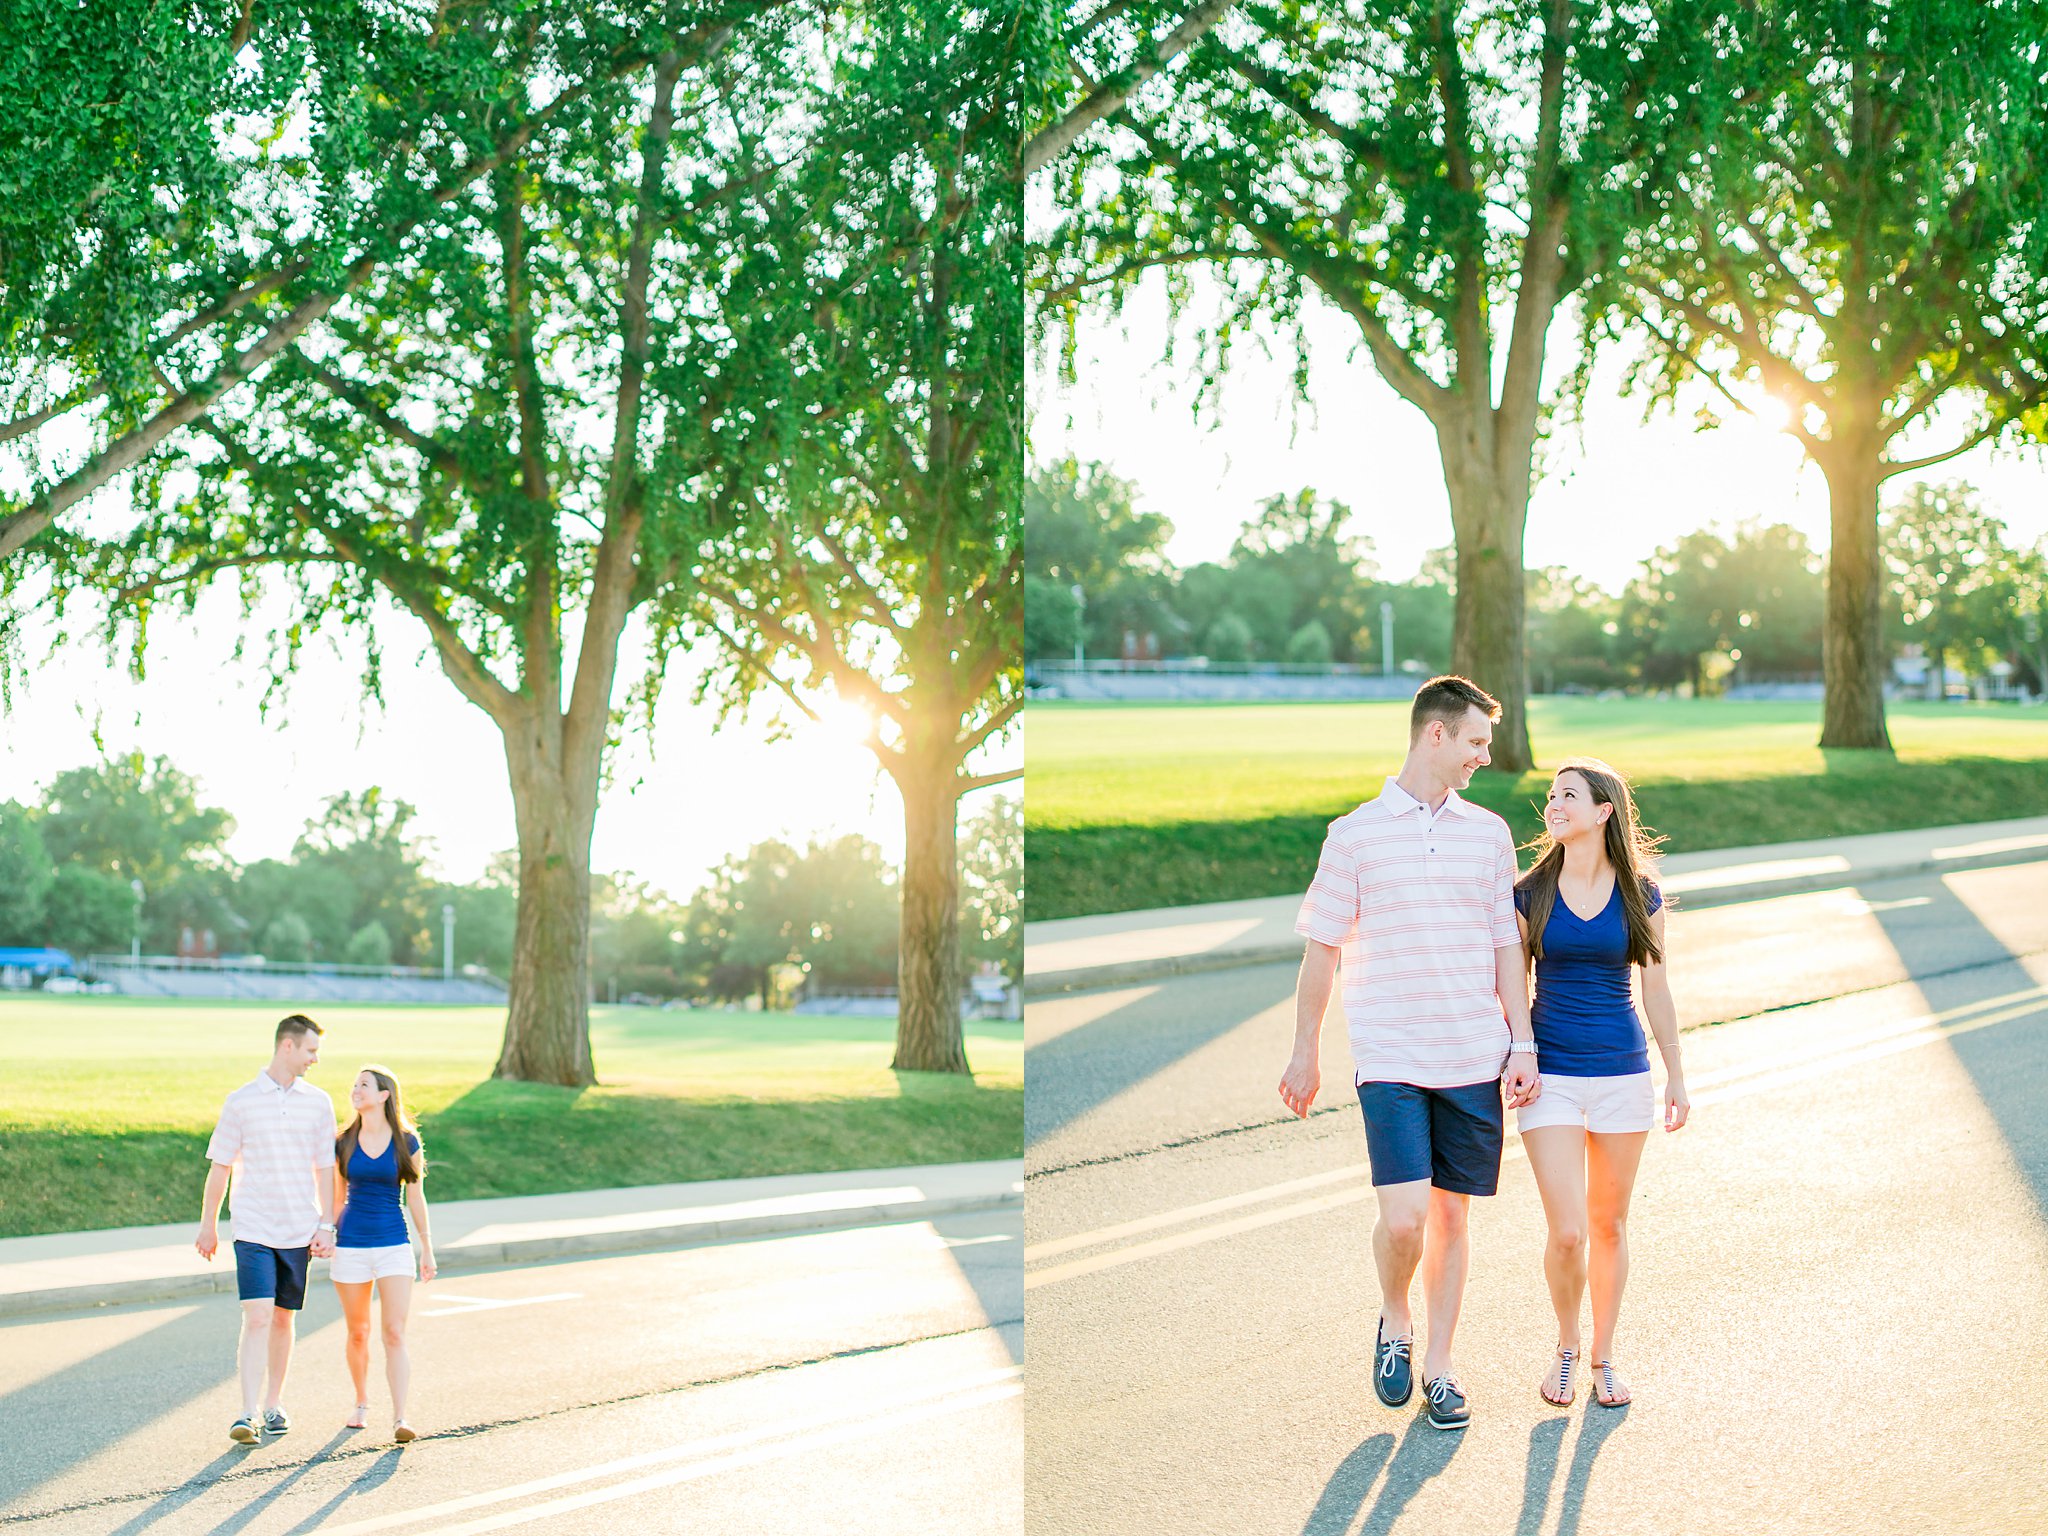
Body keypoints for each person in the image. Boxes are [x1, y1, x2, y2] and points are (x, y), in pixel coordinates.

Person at [1279, 675, 1539, 1432]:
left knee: (1453, 1224)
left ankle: (1441, 1369)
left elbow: (1504, 944)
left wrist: (1520, 1042)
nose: (1484, 757)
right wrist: (1306, 1052)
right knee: (1404, 1222)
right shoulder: (1353, 835)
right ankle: (1395, 1322)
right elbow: (1322, 952)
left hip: (1472, 1056)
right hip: (1390, 1055)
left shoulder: (1488, 834)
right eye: (1477, 742)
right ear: (1437, 734)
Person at [1512, 758, 1690, 1409]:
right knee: (1568, 1232)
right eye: (1551, 795)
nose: (1553, 805)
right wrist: (1516, 1052)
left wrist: (1676, 1074)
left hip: (1622, 1075)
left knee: (1609, 1225)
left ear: (1603, 811)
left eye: (1567, 795)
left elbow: (1657, 986)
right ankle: (1565, 1344)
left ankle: (1604, 1357)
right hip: (1551, 1077)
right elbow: (1511, 986)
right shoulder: (1529, 892)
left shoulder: (1640, 892)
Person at [196, 1014, 340, 1446]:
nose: (315, 1059)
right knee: (256, 1316)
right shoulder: (241, 1101)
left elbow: (326, 1169)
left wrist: (327, 1225)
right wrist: (208, 1225)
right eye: (311, 1050)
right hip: (253, 1227)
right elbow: (220, 1166)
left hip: (299, 1229)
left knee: (282, 1319)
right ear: (288, 1046)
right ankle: (247, 1412)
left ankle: (274, 1404)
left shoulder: (319, 1102)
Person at [331, 1064, 437, 1442]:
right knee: (358, 1331)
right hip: (351, 1247)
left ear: (383, 1095)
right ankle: (361, 1401)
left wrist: (427, 1248)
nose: (355, 1090)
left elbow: (416, 1195)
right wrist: (326, 1232)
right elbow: (336, 1197)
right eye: (354, 1084)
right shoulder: (342, 1141)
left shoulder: (407, 1142)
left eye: (364, 1085)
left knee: (394, 1332)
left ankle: (400, 1416)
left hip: (394, 1244)